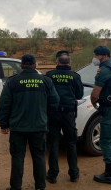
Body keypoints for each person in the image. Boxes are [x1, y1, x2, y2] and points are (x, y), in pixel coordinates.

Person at [0, 54, 60, 190]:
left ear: (21, 66)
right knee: (39, 156)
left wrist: (4, 124)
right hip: (39, 126)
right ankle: (40, 186)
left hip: (18, 127)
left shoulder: (13, 81)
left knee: (17, 157)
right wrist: (45, 117)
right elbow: (54, 102)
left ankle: (16, 187)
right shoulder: (46, 81)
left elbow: (4, 105)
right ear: (35, 66)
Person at [45, 50, 84, 183]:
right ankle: (73, 173)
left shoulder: (49, 75)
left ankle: (52, 174)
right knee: (71, 143)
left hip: (53, 113)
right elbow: (79, 95)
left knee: (53, 143)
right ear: (70, 62)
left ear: (57, 62)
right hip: (68, 114)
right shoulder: (75, 76)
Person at [90, 46, 111, 185]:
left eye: (96, 55)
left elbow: (95, 93)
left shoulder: (104, 70)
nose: (95, 58)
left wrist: (94, 102)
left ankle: (109, 175)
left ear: (104, 56)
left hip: (110, 107)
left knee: (106, 140)